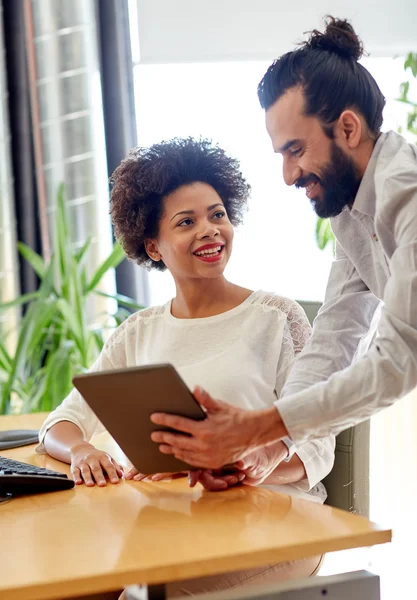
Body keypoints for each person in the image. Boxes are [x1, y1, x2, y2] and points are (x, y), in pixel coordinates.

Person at [37, 137, 331, 595]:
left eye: (218, 215)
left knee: (148, 586)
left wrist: (245, 466)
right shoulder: (138, 332)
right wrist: (81, 452)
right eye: (187, 222)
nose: (211, 230)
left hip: (275, 524)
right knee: (65, 582)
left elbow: (317, 444)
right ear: (153, 246)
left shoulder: (276, 317)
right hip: (170, 522)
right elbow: (63, 421)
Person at [149, 17, 417, 479]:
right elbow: (335, 337)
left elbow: (397, 362)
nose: (289, 175)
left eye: (296, 150)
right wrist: (272, 445)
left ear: (348, 129)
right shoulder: (350, 212)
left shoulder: (408, 197)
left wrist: (256, 427)